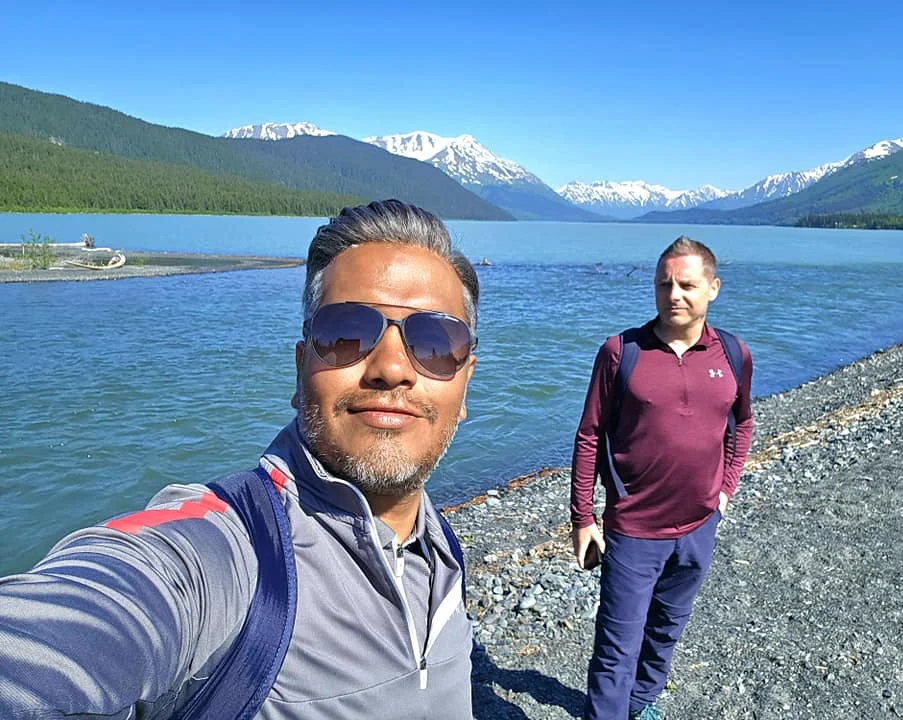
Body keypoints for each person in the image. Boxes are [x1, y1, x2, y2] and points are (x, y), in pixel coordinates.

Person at [0, 200, 479, 719]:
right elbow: (75, 627)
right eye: (346, 334)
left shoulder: (440, 550)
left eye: (435, 342)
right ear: (302, 371)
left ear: (465, 382)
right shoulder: (235, 554)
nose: (390, 368)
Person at [571, 236, 754, 720]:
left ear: (713, 288)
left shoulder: (733, 354)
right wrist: (583, 518)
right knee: (616, 647)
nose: (674, 294)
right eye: (664, 284)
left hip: (699, 525)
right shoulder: (621, 352)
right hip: (634, 529)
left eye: (687, 284)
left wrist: (727, 485)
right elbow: (589, 434)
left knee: (668, 627)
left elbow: (744, 422)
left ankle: (643, 704)